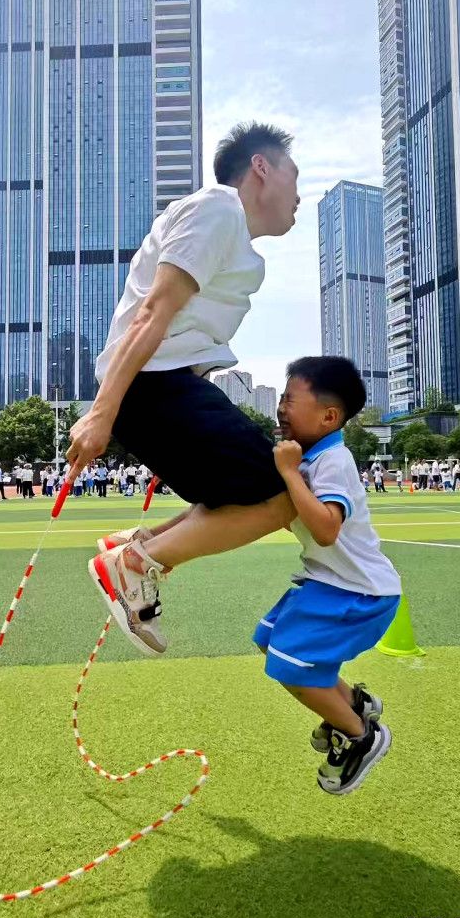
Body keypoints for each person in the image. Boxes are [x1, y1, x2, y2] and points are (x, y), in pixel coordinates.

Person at [65, 122, 300, 652]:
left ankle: (138, 545)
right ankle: (132, 563)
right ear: (261, 167)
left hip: (168, 388)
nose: (299, 195)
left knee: (238, 495)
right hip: (152, 386)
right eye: (294, 174)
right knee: (282, 495)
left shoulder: (237, 241)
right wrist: (102, 412)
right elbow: (154, 311)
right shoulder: (218, 209)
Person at [251, 357, 400, 795]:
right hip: (327, 582)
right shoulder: (311, 457)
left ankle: (359, 735)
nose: (280, 409)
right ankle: (354, 702)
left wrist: (288, 472)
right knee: (269, 640)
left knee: (290, 666)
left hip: (357, 591)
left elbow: (326, 529)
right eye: (280, 399)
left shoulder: (333, 460)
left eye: (289, 401)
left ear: (329, 417)